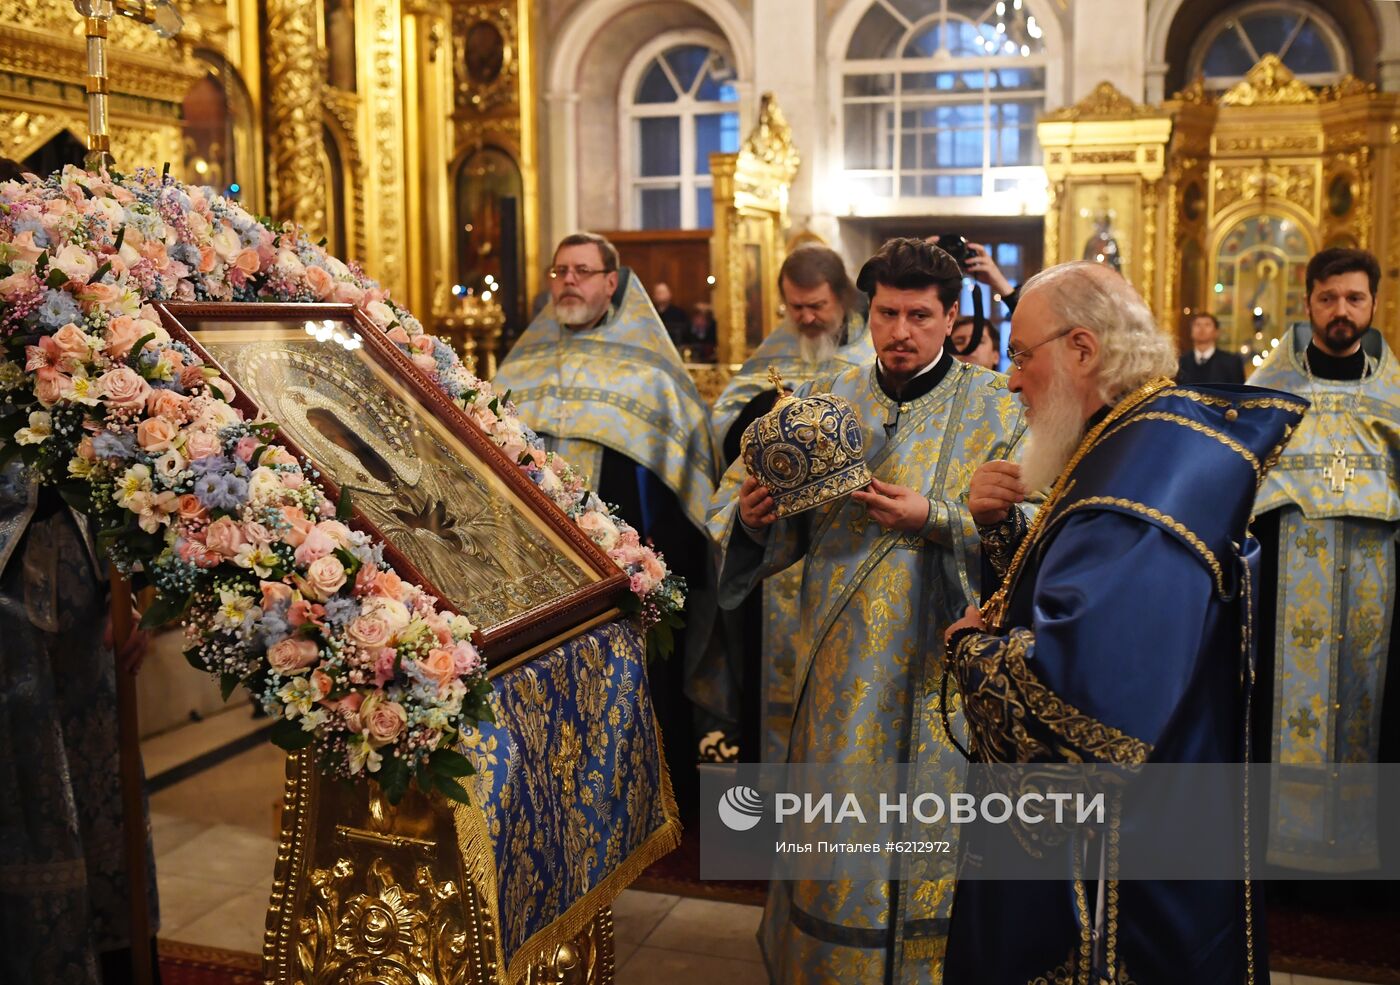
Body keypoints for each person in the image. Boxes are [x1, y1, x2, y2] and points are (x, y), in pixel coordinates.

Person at [941, 261, 1306, 984]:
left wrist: (971, 649)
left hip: (1116, 870)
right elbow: (1094, 601)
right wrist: (1004, 537)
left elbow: (1082, 707)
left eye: (1020, 356)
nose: (1011, 380)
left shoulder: (1142, 478)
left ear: (1082, 349)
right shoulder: (1137, 439)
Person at [712, 237, 1024, 980]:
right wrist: (758, 516)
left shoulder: (996, 410)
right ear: (870, 311)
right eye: (888, 312)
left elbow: (1039, 531)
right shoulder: (826, 403)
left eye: (921, 315)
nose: (901, 332)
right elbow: (744, 518)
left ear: (953, 317)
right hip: (841, 679)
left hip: (940, 685)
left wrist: (939, 516)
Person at [0, 155, 161, 984]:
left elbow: (124, 456)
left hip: (84, 589)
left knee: (100, 809)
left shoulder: (57, 315)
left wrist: (141, 599)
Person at [492, 232, 719, 812]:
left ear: (611, 283)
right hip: (532, 571)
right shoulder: (522, 364)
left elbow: (682, 478)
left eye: (583, 271)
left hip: (620, 575)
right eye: (560, 269)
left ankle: (643, 803)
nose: (569, 280)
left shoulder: (650, 373)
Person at [1246, 247, 1400, 887]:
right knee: (1280, 710)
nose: (1342, 311)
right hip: (1288, 575)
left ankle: (1361, 866)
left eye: (1355, 299)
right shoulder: (1266, 393)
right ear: (1308, 302)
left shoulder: (1394, 394)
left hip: (1376, 579)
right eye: (1329, 298)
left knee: (1370, 708)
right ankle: (1278, 858)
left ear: (1372, 304)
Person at [706, 244, 875, 762]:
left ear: (841, 298)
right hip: (776, 551)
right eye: (794, 307)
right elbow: (725, 422)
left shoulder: (872, 356)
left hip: (846, 548)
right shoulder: (776, 351)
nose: (805, 317)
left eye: (816, 306)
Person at [1177, 311, 1246, 385]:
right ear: (1191, 332)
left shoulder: (1232, 363)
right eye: (1197, 325)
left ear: (1216, 332)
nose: (1202, 329)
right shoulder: (1180, 362)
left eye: (1207, 325)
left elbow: (1239, 393)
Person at [652, 280, 690, 346]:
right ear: (654, 296)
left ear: (670, 294)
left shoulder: (679, 313)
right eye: (658, 293)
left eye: (663, 292)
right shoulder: (651, 313)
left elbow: (685, 334)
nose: (661, 295)